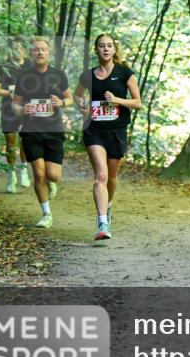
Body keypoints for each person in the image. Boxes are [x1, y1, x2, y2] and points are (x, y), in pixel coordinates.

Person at [75, 34, 141, 241]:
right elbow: (77, 95)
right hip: (94, 130)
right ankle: (102, 222)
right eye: (101, 46)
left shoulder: (125, 73)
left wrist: (117, 100)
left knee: (111, 178)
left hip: (116, 131)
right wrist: (82, 105)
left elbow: (137, 102)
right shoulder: (87, 76)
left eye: (109, 46)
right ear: (96, 50)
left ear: (114, 50)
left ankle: (108, 205)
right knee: (100, 176)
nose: (105, 49)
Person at [11, 37, 72, 228]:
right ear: (31, 54)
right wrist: (22, 110)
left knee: (53, 175)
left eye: (43, 49)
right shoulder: (24, 76)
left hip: (54, 130)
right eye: (36, 50)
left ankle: (51, 182)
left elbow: (70, 99)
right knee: (38, 173)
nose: (39, 52)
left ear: (48, 53)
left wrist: (61, 102)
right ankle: (46, 214)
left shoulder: (59, 75)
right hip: (31, 130)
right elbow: (15, 104)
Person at [0, 40, 30, 193]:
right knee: (10, 141)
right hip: (8, 108)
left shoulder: (31, 65)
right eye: (14, 47)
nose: (17, 50)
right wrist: (9, 92)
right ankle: (11, 176)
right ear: (10, 50)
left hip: (27, 107)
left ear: (25, 50)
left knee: (25, 139)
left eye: (20, 47)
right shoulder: (3, 66)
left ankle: (24, 171)